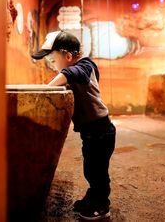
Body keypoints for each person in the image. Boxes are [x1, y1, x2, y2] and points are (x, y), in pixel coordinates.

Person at [32, 30, 116, 221]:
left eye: (53, 61)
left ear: (68, 56)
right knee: (91, 168)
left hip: (101, 131)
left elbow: (69, 73)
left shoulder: (85, 66)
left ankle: (101, 206)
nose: (53, 67)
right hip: (91, 132)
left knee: (97, 171)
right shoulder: (78, 70)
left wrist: (45, 89)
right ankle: (92, 197)